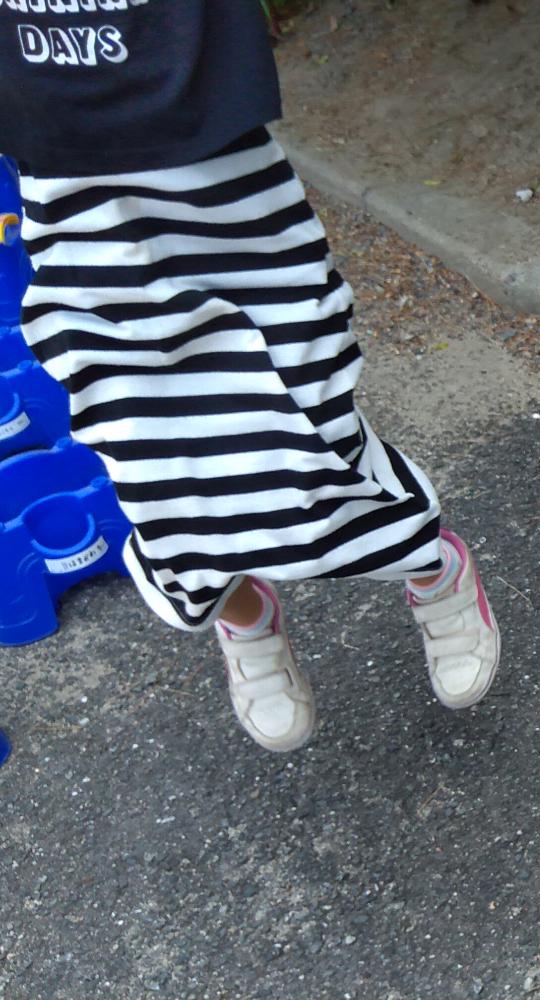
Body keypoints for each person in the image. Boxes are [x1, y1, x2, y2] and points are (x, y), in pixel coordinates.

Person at [1, 1, 500, 751]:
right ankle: (242, 614)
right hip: (65, 179)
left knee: (305, 414)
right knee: (151, 458)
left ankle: (430, 565)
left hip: (212, 151)